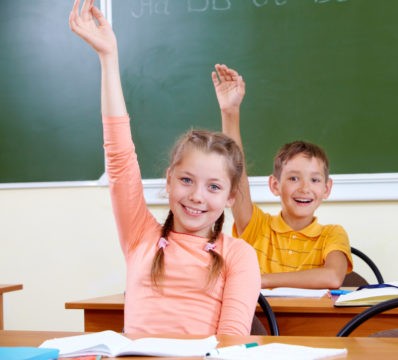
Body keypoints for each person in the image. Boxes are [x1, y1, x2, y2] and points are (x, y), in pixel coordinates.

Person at [69, 0, 260, 335]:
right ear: (169, 181)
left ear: (231, 196)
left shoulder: (239, 256)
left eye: (214, 187)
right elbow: (119, 157)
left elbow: (231, 343)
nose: (197, 196)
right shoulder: (141, 235)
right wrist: (108, 59)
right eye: (186, 180)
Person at [211, 64, 353, 289]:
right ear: (275, 185)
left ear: (327, 189)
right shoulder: (256, 226)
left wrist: (263, 280)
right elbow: (236, 174)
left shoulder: (332, 234)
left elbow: (333, 277)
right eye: (294, 178)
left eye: (315, 180)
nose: (304, 188)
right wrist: (230, 113)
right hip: (256, 324)